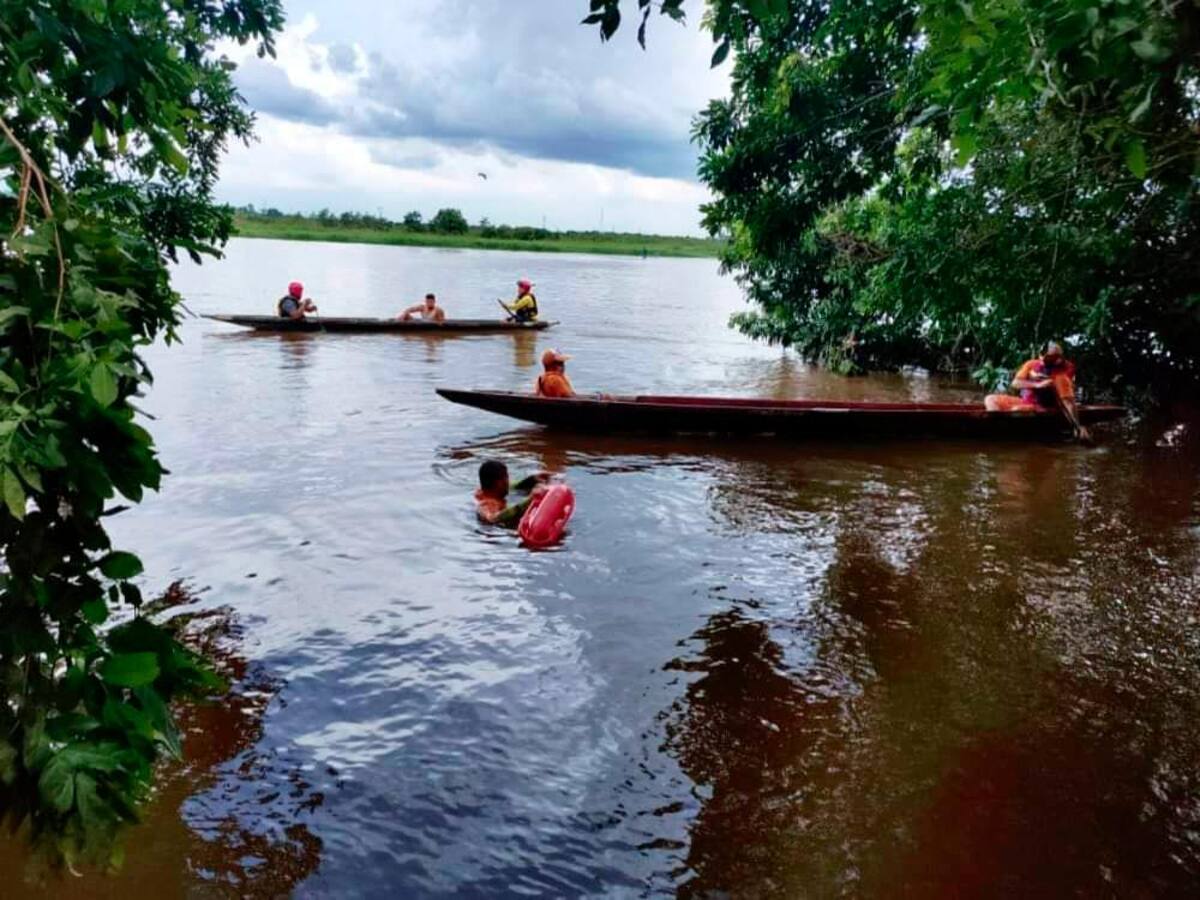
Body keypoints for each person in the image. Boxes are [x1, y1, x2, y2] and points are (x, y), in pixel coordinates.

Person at [984, 341, 1092, 442]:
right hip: (1027, 401)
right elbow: (1015, 383)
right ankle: (995, 427)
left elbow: (1067, 400)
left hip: (1046, 406)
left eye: (1049, 358)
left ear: (1058, 358)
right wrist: (1037, 384)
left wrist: (1076, 426)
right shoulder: (1032, 364)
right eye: (1043, 357)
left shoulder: (1065, 368)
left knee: (1017, 410)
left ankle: (1006, 431)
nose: (1043, 360)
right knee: (990, 399)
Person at [474, 460, 549, 525]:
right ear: (499, 483)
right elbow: (493, 519)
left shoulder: (483, 491)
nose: (508, 482)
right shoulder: (486, 505)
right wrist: (529, 500)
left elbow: (512, 487)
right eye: (506, 478)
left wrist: (532, 479)